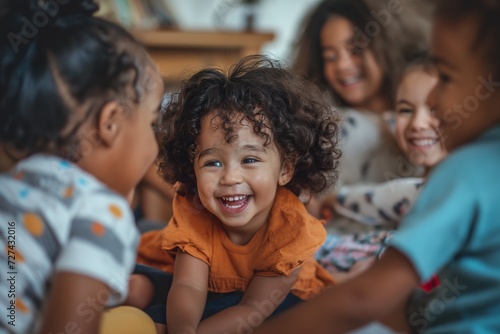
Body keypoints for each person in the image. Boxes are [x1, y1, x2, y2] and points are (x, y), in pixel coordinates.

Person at [255, 0, 500, 333]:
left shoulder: (464, 171)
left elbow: (363, 298)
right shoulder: (342, 125)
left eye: (444, 76)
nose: (430, 101)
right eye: (330, 56)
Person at [127, 55, 341, 334]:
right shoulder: (195, 210)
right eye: (213, 163)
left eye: (250, 160)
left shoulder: (291, 229)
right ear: (192, 167)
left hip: (271, 304)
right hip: (209, 291)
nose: (230, 178)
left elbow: (252, 311)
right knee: (149, 289)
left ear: (286, 169)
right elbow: (188, 286)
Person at [0, 0, 163, 333]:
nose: (155, 145)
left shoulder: (13, 184)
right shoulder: (102, 210)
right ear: (111, 123)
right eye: (151, 122)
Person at [316, 57, 447, 277]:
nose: (418, 123)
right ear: (391, 118)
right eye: (406, 110)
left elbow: (415, 193)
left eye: (434, 110)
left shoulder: (452, 185)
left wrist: (335, 199)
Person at [293, 0, 431, 188]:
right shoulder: (331, 130)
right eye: (330, 57)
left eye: (355, 50)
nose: (342, 65)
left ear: (389, 46)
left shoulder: (428, 115)